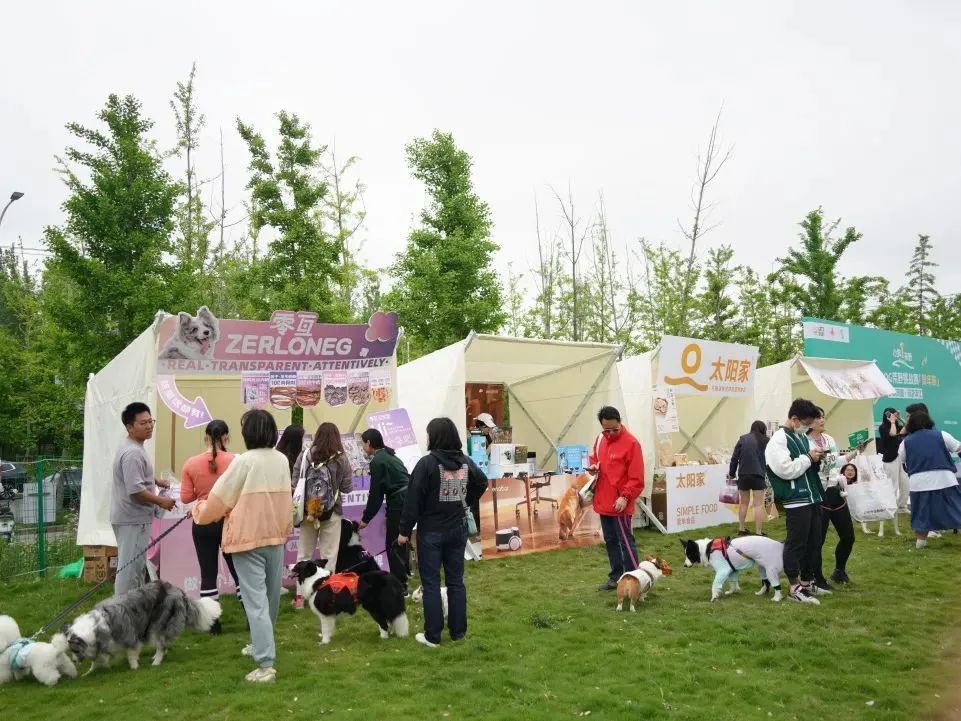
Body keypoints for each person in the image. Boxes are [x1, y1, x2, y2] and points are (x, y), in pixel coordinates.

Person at [192, 409, 293, 684]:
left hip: (247, 539)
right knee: (270, 600)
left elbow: (220, 499)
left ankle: (265, 664)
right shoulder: (281, 459)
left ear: (248, 433)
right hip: (275, 536)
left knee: (256, 602)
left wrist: (199, 510)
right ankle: (261, 646)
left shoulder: (244, 461)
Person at [397, 417, 487, 648]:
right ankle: (458, 632)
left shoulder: (426, 464)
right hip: (457, 530)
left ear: (434, 437)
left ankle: (433, 636)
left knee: (431, 583)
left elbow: (413, 500)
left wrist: (404, 531)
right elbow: (482, 482)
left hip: (431, 532)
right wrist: (465, 501)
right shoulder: (465, 461)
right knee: (456, 582)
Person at [181, 419, 241, 633]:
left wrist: (202, 495)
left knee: (208, 575)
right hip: (228, 521)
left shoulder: (191, 464)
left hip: (203, 522)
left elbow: (185, 497)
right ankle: (253, 619)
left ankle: (213, 626)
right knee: (239, 573)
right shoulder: (236, 461)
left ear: (206, 437)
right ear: (226, 438)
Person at [765, 399, 826, 604]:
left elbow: (804, 462)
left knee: (814, 542)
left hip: (811, 496)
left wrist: (815, 458)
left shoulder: (799, 437)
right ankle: (794, 586)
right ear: (794, 419)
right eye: (806, 423)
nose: (808, 427)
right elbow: (785, 470)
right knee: (796, 543)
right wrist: (808, 458)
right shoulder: (778, 440)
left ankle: (807, 581)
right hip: (796, 499)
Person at [111, 402, 175, 596]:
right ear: (130, 427)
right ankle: (122, 607)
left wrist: (155, 480)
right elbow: (135, 490)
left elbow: (135, 476)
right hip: (132, 519)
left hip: (133, 518)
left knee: (136, 567)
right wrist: (161, 501)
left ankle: (134, 605)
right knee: (129, 569)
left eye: (150, 421)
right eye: (143, 423)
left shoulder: (134, 447)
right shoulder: (132, 453)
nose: (149, 426)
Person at [290, 422, 353, 609]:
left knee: (304, 554)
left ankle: (299, 598)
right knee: (329, 555)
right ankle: (327, 596)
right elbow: (347, 488)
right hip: (331, 512)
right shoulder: (341, 458)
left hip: (307, 512)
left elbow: (294, 482)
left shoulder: (305, 455)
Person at [587, 406, 644, 592]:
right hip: (604, 500)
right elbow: (595, 458)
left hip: (621, 503)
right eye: (607, 430)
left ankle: (634, 579)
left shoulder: (632, 444)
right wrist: (594, 467)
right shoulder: (600, 439)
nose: (610, 434)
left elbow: (637, 478)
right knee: (610, 540)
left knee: (626, 541)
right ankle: (616, 577)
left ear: (620, 423)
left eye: (614, 430)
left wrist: (625, 496)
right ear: (602, 426)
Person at [808, 408, 860, 587]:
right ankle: (816, 577)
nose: (822, 420)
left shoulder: (829, 439)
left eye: (823, 417)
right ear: (809, 421)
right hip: (818, 492)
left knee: (848, 536)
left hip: (834, 490)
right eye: (818, 417)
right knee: (818, 540)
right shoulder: (804, 441)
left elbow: (834, 462)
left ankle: (839, 571)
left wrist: (853, 453)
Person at [898, 411, 961, 549]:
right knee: (956, 509)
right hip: (944, 479)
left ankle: (921, 542)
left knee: (921, 513)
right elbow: (959, 448)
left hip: (918, 483)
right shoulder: (941, 434)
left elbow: (903, 460)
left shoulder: (905, 442)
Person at [359, 428, 411, 592]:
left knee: (393, 544)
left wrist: (366, 519)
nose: (362, 447)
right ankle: (404, 576)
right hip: (406, 500)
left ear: (368, 443)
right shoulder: (390, 456)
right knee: (401, 540)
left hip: (399, 502)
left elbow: (376, 494)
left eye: (362, 444)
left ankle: (399, 585)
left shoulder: (377, 461)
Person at [728, 421, 770, 536]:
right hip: (758, 475)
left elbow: (734, 458)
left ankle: (741, 529)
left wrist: (731, 473)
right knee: (758, 504)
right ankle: (758, 532)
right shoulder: (766, 440)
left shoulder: (742, 439)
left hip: (743, 475)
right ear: (763, 429)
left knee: (744, 503)